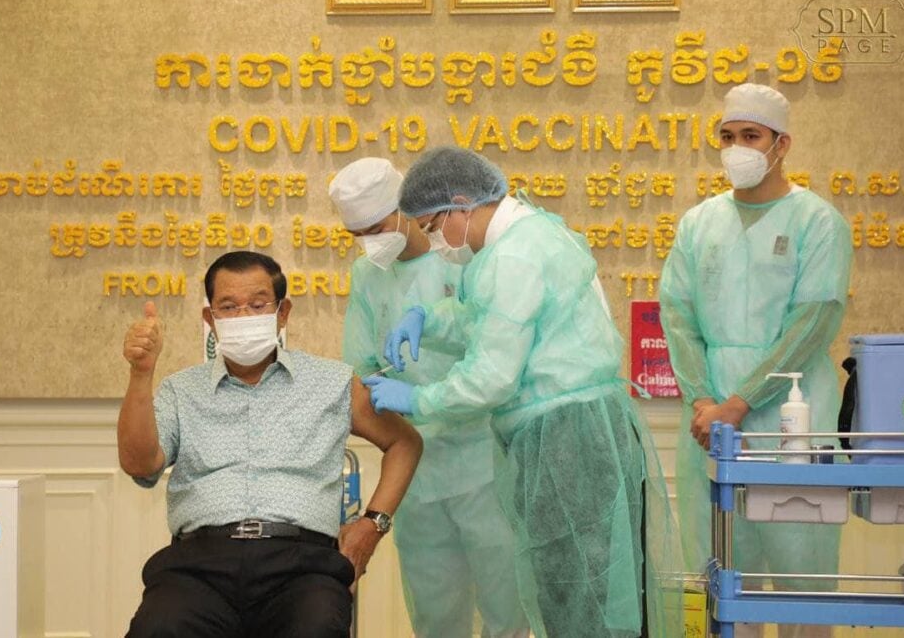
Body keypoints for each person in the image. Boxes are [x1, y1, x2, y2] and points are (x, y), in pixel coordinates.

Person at [363, 147, 681, 638]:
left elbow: (491, 377)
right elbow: (483, 319)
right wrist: (426, 319)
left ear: (462, 204)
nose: (434, 240)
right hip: (572, 434)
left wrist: (419, 401)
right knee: (576, 590)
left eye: (431, 225)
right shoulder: (521, 239)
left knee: (577, 593)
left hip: (567, 441)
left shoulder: (515, 254)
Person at [119, 250, 422, 638]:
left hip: (303, 568)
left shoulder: (332, 382)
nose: (244, 316)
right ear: (210, 319)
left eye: (258, 304)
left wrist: (372, 525)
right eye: (228, 306)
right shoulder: (181, 390)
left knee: (317, 628)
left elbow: (405, 443)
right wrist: (140, 375)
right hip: (197, 569)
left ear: (282, 312)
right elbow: (139, 464)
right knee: (158, 628)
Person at [659, 83, 853, 638]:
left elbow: (811, 324)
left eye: (751, 135)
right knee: (723, 573)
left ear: (781, 144)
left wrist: (739, 403)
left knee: (801, 574)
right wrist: (704, 400)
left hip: (792, 419)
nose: (737, 146)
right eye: (727, 136)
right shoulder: (699, 224)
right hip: (709, 423)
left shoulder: (818, 222)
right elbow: (678, 315)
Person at [329, 158, 529, 638]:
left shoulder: (464, 256)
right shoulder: (367, 275)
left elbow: (493, 363)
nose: (369, 242)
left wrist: (424, 397)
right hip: (415, 467)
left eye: (376, 227)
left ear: (405, 208)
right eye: (357, 233)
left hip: (484, 460)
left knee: (506, 605)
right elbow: (361, 362)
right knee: (436, 612)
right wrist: (379, 390)